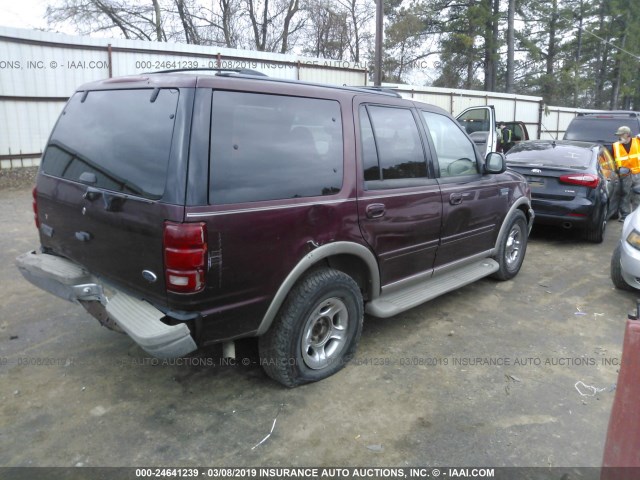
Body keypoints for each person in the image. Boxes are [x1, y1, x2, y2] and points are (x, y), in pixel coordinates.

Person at [613, 125, 640, 220]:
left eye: (621, 135)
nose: (619, 137)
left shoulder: (638, 141)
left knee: (638, 195)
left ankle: (637, 216)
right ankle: (625, 216)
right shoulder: (616, 145)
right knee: (625, 195)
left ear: (627, 135)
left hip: (638, 174)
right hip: (625, 175)